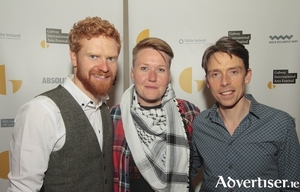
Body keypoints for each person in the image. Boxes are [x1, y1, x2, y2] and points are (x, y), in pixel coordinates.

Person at [7, 16, 121, 192]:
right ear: (74, 58)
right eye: (93, 56)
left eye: (111, 58)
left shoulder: (104, 110)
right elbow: (23, 188)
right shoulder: (42, 111)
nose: (104, 67)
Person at [192, 36, 300, 191]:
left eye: (233, 72)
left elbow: (292, 186)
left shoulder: (280, 123)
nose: (224, 82)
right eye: (215, 74)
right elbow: (185, 171)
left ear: (247, 75)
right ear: (208, 81)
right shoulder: (200, 123)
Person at [111, 37, 200, 192]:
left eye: (160, 69)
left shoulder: (188, 113)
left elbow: (194, 166)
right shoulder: (115, 117)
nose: (152, 78)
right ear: (132, 73)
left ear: (168, 76)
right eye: (144, 68)